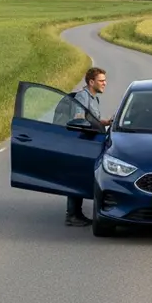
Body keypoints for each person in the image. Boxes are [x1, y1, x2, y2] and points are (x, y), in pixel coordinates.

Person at [65, 67, 110, 226]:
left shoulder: (94, 97)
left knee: (82, 176)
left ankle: (76, 213)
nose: (105, 83)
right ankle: (72, 215)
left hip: (90, 142)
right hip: (81, 142)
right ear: (92, 82)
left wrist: (104, 122)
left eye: (104, 80)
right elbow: (78, 118)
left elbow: (92, 118)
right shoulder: (82, 97)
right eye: (101, 81)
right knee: (77, 176)